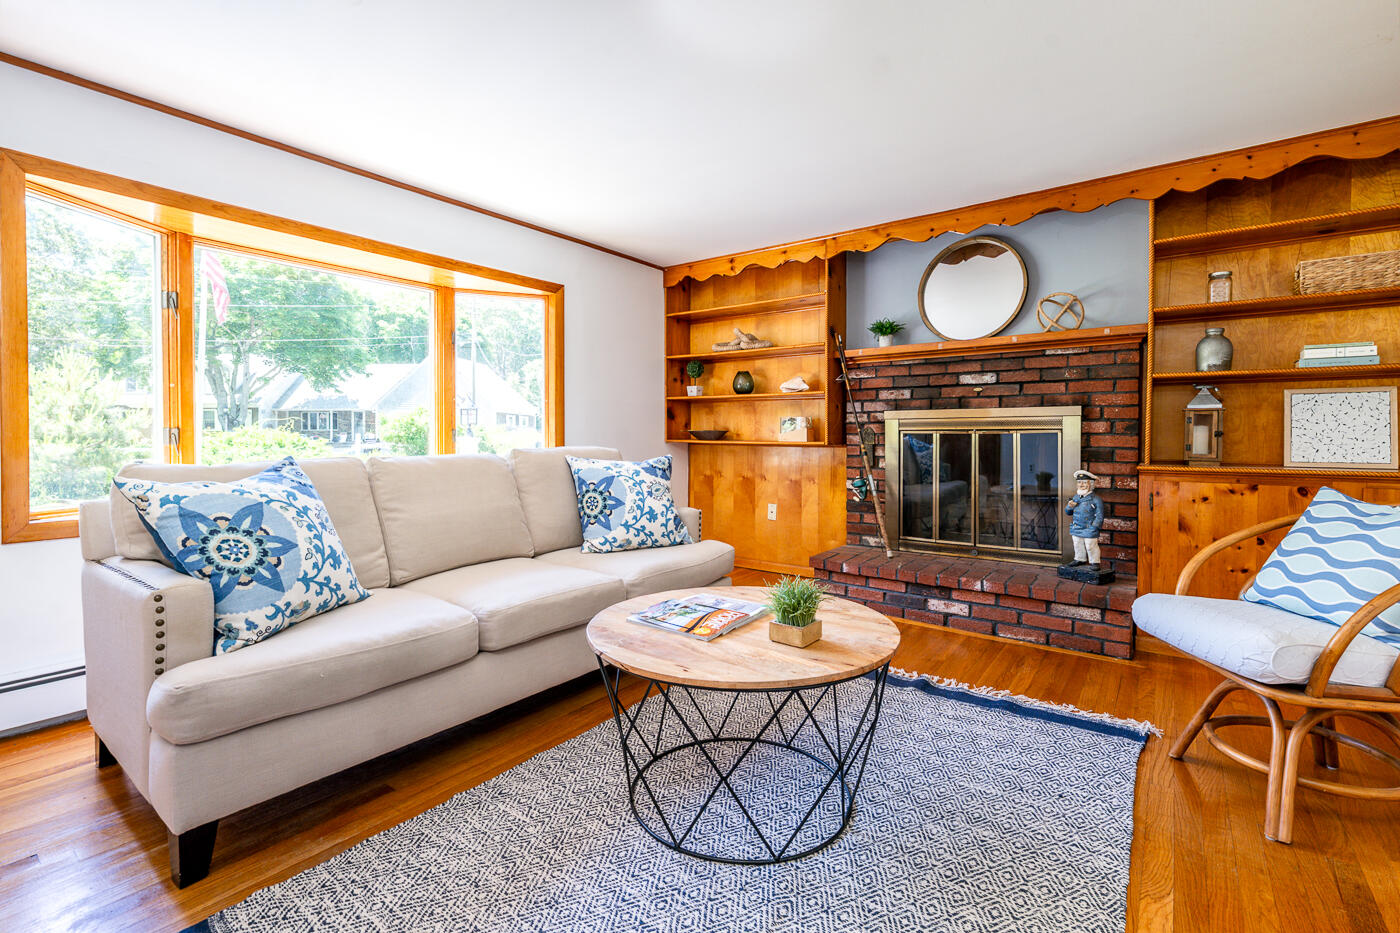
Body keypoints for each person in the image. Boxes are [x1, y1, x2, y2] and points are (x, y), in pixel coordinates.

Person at [1064, 469, 1105, 568]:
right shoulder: (1076, 497)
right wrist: (1070, 506)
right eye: (1079, 482)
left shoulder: (1096, 499)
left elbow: (1100, 515)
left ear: (1091, 484)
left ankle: (1095, 562)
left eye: (1084, 482)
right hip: (1077, 526)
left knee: (1090, 545)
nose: (1081, 485)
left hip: (1089, 527)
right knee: (1077, 544)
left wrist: (1094, 527)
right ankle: (1079, 559)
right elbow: (1068, 512)